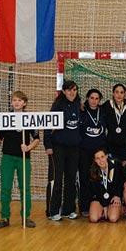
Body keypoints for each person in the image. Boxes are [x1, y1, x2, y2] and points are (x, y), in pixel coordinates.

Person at [0, 91, 40, 229]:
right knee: (5, 188)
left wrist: (28, 147)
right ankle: (4, 217)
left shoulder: (30, 118)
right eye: (14, 100)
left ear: (24, 103)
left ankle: (26, 217)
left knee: (25, 188)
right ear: (11, 102)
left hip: (24, 158)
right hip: (8, 158)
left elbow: (36, 139)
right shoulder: (5, 118)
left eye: (19, 100)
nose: (16, 102)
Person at [44, 80, 81, 221]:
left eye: (75, 90)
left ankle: (68, 209)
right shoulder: (57, 106)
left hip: (74, 148)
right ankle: (53, 211)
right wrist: (48, 145)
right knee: (57, 180)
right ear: (64, 91)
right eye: (69, 90)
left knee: (71, 180)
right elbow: (48, 126)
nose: (72, 92)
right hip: (58, 148)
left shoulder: (79, 105)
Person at [78, 88, 107, 217]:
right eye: (92, 98)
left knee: (99, 178)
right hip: (85, 151)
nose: (94, 101)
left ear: (100, 100)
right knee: (84, 178)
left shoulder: (104, 111)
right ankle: (84, 206)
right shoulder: (82, 110)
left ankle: (100, 203)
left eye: (97, 98)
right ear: (87, 98)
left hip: (99, 152)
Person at [102, 84, 126, 163]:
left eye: (121, 92)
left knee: (124, 172)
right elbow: (94, 107)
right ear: (113, 93)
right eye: (117, 92)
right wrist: (83, 104)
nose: (119, 95)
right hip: (111, 145)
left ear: (125, 94)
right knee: (113, 171)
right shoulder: (107, 105)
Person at [88, 148, 123, 223]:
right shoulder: (93, 171)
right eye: (97, 158)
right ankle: (103, 211)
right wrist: (104, 205)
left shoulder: (116, 165)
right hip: (99, 198)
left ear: (106, 156)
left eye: (102, 157)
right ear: (94, 160)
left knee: (113, 218)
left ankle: (120, 209)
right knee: (93, 219)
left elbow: (121, 182)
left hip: (113, 197)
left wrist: (117, 195)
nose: (101, 160)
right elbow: (94, 191)